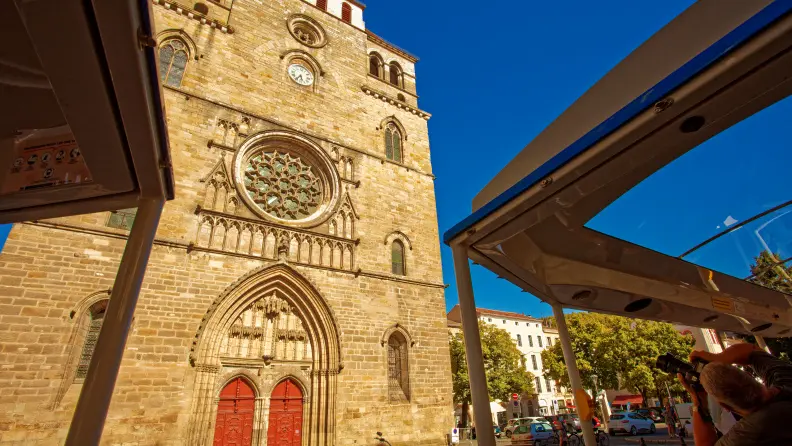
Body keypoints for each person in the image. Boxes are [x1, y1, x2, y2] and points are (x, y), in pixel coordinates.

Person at [677, 342, 792, 445]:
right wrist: (717, 358)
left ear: (725, 406)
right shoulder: (785, 378)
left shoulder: (748, 433)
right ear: (749, 375)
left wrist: (698, 401)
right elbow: (751, 351)